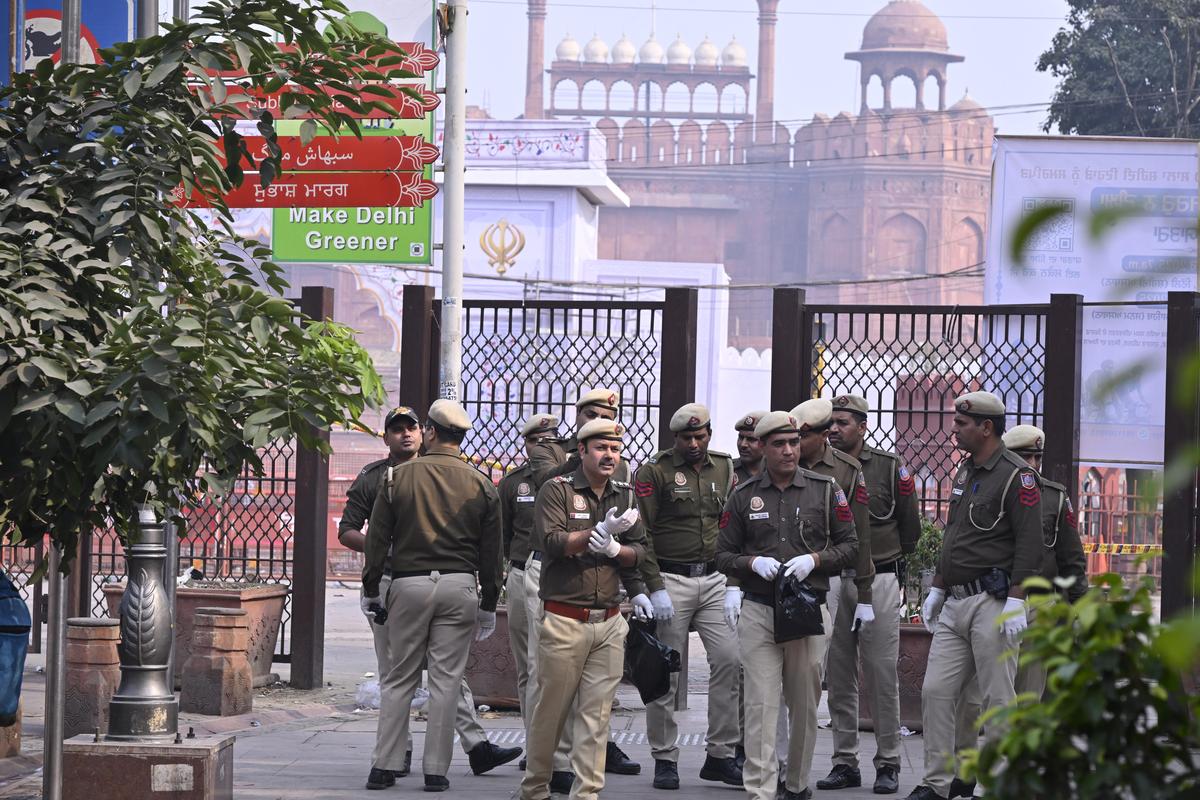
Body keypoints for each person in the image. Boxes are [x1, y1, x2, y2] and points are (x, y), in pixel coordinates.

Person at [340, 406, 518, 788]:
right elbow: (492, 553)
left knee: (398, 677)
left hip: (407, 584)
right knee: (447, 680)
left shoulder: (395, 479)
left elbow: (377, 542)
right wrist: (489, 602)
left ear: (430, 432)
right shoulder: (481, 483)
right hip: (459, 586)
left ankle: (384, 766)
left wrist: (372, 589)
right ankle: (436, 771)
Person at [904, 392, 1044, 800]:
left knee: (998, 699)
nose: (954, 429)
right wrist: (937, 587)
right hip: (955, 603)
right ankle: (937, 782)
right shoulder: (967, 472)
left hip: (993, 603)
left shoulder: (1019, 477)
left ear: (986, 427)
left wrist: (1018, 599)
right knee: (935, 691)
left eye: (962, 423)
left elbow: (1031, 545)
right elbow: (956, 536)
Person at [717, 410, 859, 800]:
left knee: (805, 706)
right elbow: (722, 554)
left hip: (808, 611)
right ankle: (760, 790)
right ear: (762, 447)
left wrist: (815, 560)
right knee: (761, 706)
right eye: (778, 444)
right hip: (760, 610)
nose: (788, 451)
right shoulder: (743, 495)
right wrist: (751, 563)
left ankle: (796, 784)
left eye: (794, 443)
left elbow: (850, 546)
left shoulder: (825, 488)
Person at [519, 418, 651, 800]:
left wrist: (617, 550)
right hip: (564, 618)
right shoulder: (556, 490)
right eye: (600, 448)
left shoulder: (625, 494)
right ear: (582, 451)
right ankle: (535, 788)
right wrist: (598, 533)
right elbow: (552, 541)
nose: (609, 455)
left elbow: (641, 550)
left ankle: (586, 794)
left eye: (614, 448)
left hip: (609, 620)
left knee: (596, 717)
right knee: (552, 713)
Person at [816, 394, 922, 794]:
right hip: (832, 580)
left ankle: (888, 761)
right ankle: (845, 761)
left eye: (843, 422)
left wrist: (887, 567)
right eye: (832, 422)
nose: (835, 429)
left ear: (863, 426)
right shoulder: (820, 467)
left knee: (880, 673)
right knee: (838, 674)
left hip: (877, 578)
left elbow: (910, 529)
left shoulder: (890, 468)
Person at [634, 403, 742, 791]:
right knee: (666, 672)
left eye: (701, 436)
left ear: (710, 434)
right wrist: (654, 587)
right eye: (687, 438)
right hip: (670, 578)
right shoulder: (655, 471)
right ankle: (665, 757)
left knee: (730, 660)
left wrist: (733, 582)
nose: (694, 443)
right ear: (674, 438)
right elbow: (639, 533)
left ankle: (721, 755)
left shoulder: (724, 467)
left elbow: (730, 526)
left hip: (714, 578)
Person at [780, 399, 874, 786]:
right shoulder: (779, 466)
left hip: (826, 581)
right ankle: (774, 764)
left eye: (802, 436)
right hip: (775, 584)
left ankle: (854, 761)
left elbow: (858, 539)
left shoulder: (845, 473)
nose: (792, 445)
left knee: (816, 677)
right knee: (771, 682)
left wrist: (865, 593)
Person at [1001, 424, 1088, 698]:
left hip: (1040, 602)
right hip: (997, 597)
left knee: (1030, 688)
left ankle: (1025, 738)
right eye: (1027, 457)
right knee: (994, 687)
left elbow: (1071, 556)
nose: (1034, 464)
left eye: (1037, 458)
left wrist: (1080, 605)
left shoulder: (1054, 496)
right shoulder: (994, 491)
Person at [500, 413, 561, 744]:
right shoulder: (513, 483)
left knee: (555, 664)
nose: (540, 447)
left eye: (548, 441)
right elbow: (503, 535)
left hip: (560, 577)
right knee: (527, 665)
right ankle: (534, 741)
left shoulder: (569, 479)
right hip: (522, 573)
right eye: (535, 441)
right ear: (526, 445)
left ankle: (562, 741)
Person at [733, 411, 769, 485]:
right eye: (741, 437)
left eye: (751, 439)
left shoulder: (777, 472)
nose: (743, 444)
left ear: (766, 442)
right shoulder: (728, 470)